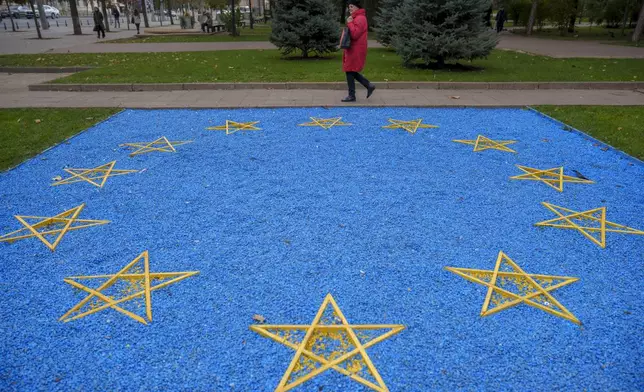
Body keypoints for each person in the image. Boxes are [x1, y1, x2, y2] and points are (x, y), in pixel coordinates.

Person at [341, 0, 375, 103]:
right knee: (350, 70)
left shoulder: (360, 18)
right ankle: (368, 85)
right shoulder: (356, 18)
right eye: (349, 7)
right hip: (353, 48)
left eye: (351, 6)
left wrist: (350, 23)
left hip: (356, 49)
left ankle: (352, 95)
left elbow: (355, 34)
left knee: (349, 70)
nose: (349, 8)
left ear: (357, 7)